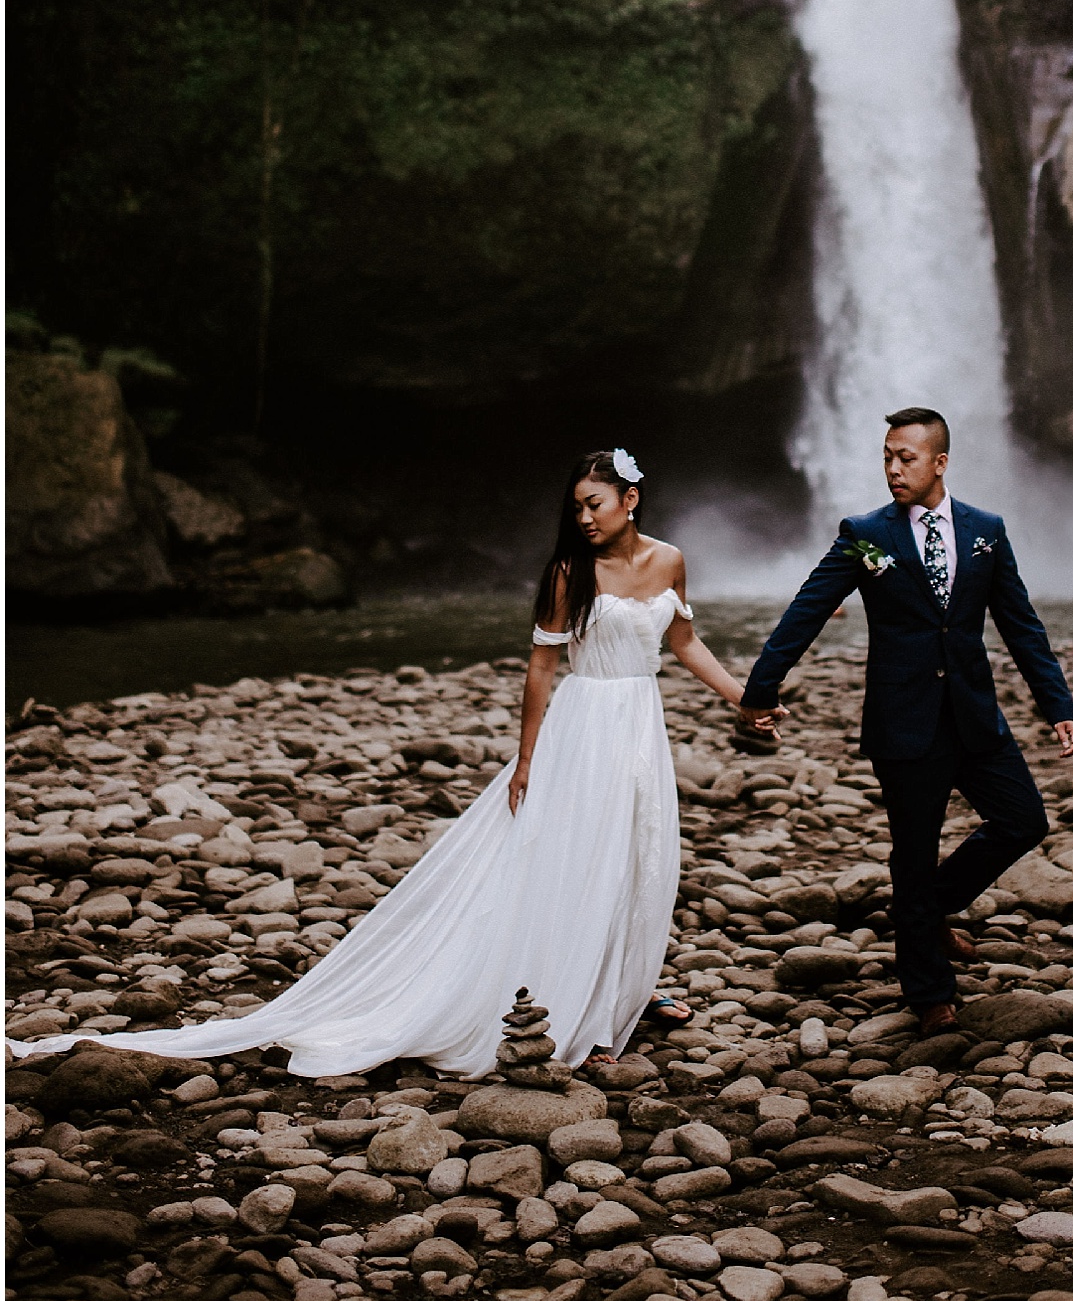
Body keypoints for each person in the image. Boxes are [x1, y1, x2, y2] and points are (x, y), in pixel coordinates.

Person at [10, 448, 758, 1078]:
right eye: (576, 507)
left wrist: (745, 698)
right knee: (570, 855)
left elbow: (684, 643)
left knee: (638, 852)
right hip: (586, 723)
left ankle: (626, 988)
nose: (584, 518)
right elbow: (539, 669)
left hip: (640, 724)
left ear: (631, 498)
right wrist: (527, 759)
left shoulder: (670, 562)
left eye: (595, 503)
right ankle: (569, 993)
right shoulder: (570, 573)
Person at [740, 408, 1073, 1034]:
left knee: (1023, 821)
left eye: (908, 458)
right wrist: (760, 687)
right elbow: (808, 609)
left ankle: (923, 913)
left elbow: (1021, 623)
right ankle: (929, 994)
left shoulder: (986, 530)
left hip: (976, 715)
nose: (894, 469)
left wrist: (1056, 704)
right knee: (914, 854)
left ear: (940, 462)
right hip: (904, 720)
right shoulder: (866, 534)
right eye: (888, 457)